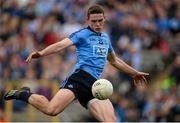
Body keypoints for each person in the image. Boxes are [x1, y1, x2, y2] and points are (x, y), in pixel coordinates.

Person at [4, 5, 149, 122]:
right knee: (51, 110)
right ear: (88, 20)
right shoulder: (82, 34)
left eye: (100, 20)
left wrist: (134, 73)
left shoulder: (105, 38)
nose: (97, 24)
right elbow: (61, 45)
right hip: (80, 78)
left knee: (110, 120)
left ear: (104, 19)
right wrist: (41, 53)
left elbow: (114, 60)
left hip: (95, 85)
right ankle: (23, 94)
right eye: (94, 21)